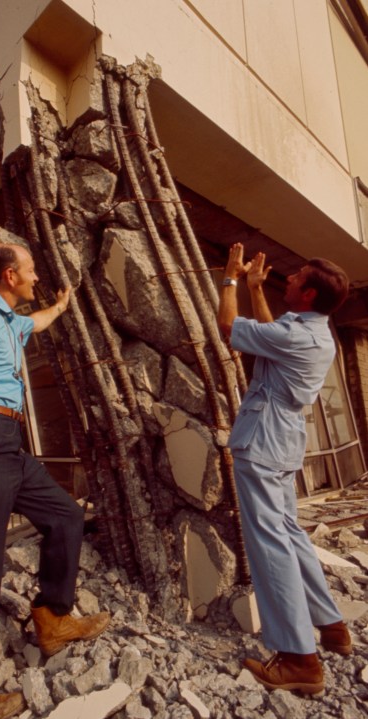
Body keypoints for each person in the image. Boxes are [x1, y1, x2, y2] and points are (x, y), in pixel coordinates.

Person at [0, 242, 110, 719]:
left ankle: (52, 619)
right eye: (31, 272)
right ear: (10, 275)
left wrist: (60, 306)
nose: (36, 278)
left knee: (66, 516)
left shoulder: (10, 321)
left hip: (7, 439)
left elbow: (37, 321)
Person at [217, 243, 352, 695]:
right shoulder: (312, 332)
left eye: (297, 278)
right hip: (284, 441)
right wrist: (258, 289)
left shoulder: (298, 336)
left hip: (262, 440)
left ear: (310, 295)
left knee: (269, 541)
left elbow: (228, 327)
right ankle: (332, 628)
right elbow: (270, 334)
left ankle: (299, 659)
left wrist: (231, 279)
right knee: (289, 532)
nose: (287, 279)